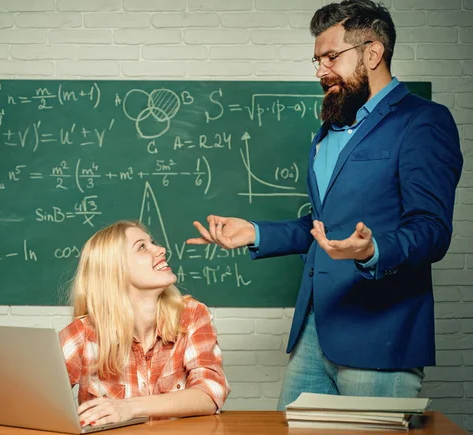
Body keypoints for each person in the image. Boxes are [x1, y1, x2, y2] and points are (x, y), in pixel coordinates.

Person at [188, 0, 463, 410]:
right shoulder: (327, 132)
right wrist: (257, 233)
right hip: (315, 330)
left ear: (373, 53)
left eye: (331, 57)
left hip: (380, 338)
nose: (320, 70)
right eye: (316, 60)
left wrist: (373, 250)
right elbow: (323, 225)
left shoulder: (423, 121)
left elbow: (432, 230)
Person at [59, 220, 230, 427]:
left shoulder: (192, 315)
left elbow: (211, 392)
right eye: (142, 247)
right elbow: (37, 400)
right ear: (115, 270)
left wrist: (130, 407)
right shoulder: (83, 333)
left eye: (153, 242)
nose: (161, 249)